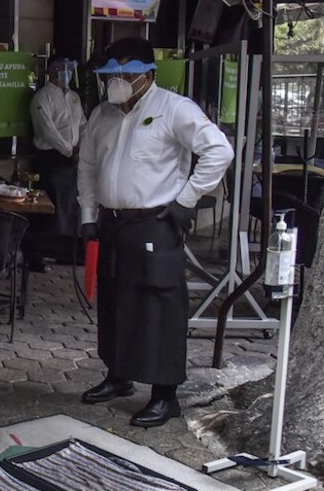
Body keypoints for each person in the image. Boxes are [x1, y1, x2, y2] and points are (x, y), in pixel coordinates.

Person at [77, 37, 233, 427]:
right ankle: (118, 376)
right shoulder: (103, 114)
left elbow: (219, 151)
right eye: (112, 75)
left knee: (157, 305)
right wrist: (87, 214)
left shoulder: (174, 109)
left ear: (147, 75)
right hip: (113, 222)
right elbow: (87, 166)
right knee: (116, 301)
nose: (118, 82)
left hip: (156, 222)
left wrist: (187, 200)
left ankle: (165, 395)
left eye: (126, 74)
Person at [30, 57, 86, 236]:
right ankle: (51, 244)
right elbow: (47, 130)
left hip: (74, 158)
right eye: (60, 68)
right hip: (52, 158)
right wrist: (69, 151)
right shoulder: (42, 96)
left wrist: (82, 148)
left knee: (72, 202)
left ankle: (69, 245)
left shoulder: (74, 97)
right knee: (56, 203)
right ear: (50, 72)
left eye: (68, 68)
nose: (65, 72)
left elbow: (82, 124)